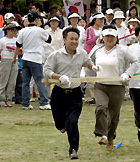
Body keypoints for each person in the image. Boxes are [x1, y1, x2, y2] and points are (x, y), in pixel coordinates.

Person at [43, 27, 100, 159]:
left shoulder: (81, 53)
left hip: (75, 93)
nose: (74, 42)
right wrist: (59, 77)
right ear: (64, 40)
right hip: (59, 93)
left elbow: (87, 62)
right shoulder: (56, 55)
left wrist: (93, 66)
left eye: (76, 39)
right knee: (60, 124)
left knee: (72, 121)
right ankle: (62, 126)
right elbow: (46, 71)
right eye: (71, 39)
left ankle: (73, 149)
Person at [89, 25, 138, 151]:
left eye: (112, 36)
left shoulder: (122, 50)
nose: (109, 39)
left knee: (114, 115)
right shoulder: (97, 50)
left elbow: (135, 62)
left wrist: (127, 73)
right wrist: (92, 67)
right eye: (107, 36)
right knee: (101, 107)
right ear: (103, 38)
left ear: (116, 38)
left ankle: (110, 138)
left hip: (117, 86)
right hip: (100, 85)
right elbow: (87, 62)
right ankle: (103, 134)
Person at [12, 11, 52, 110]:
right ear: (36, 20)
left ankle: (25, 103)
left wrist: (14, 57)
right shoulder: (39, 30)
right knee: (39, 81)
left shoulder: (22, 31)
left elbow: (18, 44)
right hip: (36, 58)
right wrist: (40, 27)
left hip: (25, 58)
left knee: (26, 82)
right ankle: (44, 102)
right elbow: (49, 39)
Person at [0, 22, 21, 107]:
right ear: (8, 30)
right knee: (4, 81)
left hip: (15, 60)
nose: (15, 32)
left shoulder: (16, 40)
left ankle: (9, 99)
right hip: (5, 60)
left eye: (15, 30)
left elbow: (20, 51)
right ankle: (1, 100)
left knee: (12, 82)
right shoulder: (2, 40)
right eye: (13, 30)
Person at [83, 12, 105, 105]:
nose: (102, 21)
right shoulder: (89, 29)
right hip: (90, 54)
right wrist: (97, 37)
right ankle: (89, 97)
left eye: (103, 20)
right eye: (100, 19)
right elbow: (88, 42)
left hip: (99, 54)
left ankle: (96, 96)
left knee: (97, 76)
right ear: (95, 20)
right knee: (90, 75)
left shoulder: (102, 30)